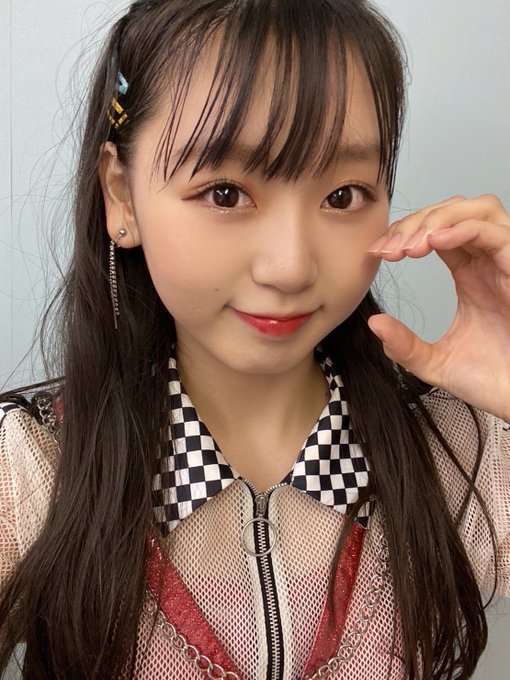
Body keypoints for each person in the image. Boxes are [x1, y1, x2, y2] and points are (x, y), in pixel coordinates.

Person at [0, 0, 509, 677]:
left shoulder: (459, 457)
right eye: (225, 193)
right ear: (121, 195)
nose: (290, 267)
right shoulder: (31, 471)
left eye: (343, 195)